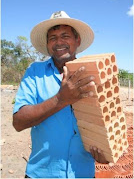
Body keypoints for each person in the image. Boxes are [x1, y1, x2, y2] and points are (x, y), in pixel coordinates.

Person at [13, 11, 108, 178]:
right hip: (41, 174)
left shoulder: (95, 74)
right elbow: (18, 121)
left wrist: (105, 154)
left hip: (82, 173)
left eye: (65, 36)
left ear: (77, 40)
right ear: (48, 44)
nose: (59, 42)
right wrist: (61, 99)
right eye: (53, 38)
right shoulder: (35, 72)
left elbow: (106, 122)